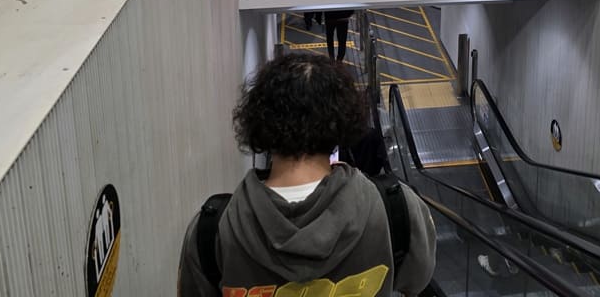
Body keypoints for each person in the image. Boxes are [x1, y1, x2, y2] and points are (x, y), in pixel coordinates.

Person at [177, 52, 436, 297]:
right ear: (343, 121)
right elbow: (416, 280)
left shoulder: (211, 230)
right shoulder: (396, 208)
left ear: (259, 121)